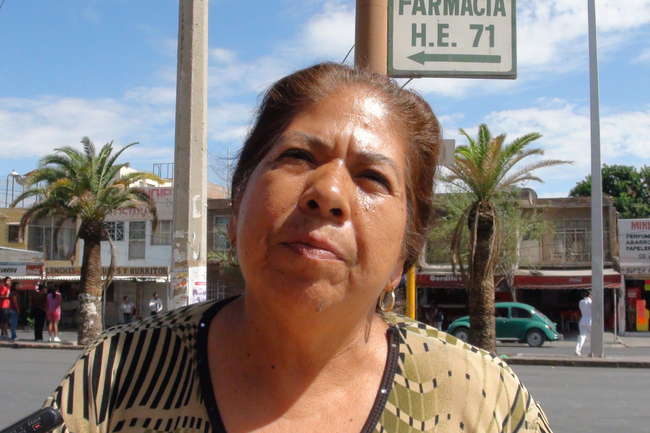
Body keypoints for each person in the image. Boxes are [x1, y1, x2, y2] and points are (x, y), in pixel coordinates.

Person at [45, 63, 552, 432]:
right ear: (237, 210)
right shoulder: (117, 375)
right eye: (297, 156)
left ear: (403, 256)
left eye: (373, 177)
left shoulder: (487, 404)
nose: (328, 193)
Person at [575, 290, 592, 356]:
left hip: (583, 320)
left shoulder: (581, 302)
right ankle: (592, 351)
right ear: (590, 295)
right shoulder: (591, 302)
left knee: (582, 336)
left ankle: (577, 349)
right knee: (592, 337)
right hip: (590, 321)